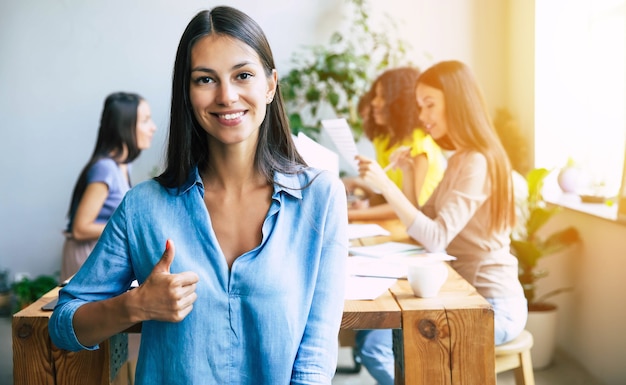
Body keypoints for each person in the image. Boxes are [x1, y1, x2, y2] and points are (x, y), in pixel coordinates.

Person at [49, 6, 348, 385]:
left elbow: (316, 355)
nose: (226, 96)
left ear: (270, 85)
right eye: (205, 79)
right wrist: (134, 305)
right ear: (187, 94)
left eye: (243, 75)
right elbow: (62, 324)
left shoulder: (320, 198)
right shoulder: (143, 207)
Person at [353, 60, 528, 384]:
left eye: (430, 104)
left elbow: (436, 238)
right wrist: (405, 177)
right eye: (420, 106)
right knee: (377, 340)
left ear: (458, 103)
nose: (423, 116)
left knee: (384, 345)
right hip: (460, 294)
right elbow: (424, 224)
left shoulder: (478, 161)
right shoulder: (461, 158)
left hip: (490, 305)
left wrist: (385, 184)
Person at [61, 92, 156, 281]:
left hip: (100, 253)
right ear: (125, 127)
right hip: (87, 255)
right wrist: (130, 228)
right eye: (145, 121)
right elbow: (80, 229)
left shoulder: (123, 165)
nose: (153, 127)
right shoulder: (106, 169)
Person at [345, 67, 445, 222]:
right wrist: (360, 188)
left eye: (383, 97)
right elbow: (389, 196)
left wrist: (349, 215)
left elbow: (406, 206)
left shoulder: (419, 145)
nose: (374, 103)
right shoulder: (383, 140)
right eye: (375, 95)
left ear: (401, 103)